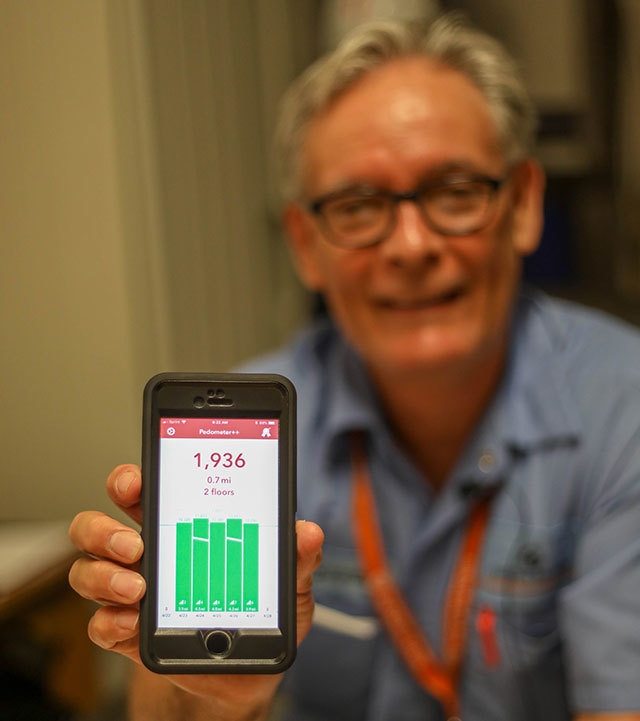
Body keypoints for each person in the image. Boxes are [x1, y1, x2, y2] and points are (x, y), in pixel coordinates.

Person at [68, 14, 640, 721]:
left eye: (454, 191)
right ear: (306, 245)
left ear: (523, 204)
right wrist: (212, 692)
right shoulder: (244, 435)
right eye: (359, 206)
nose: (409, 244)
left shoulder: (625, 409)